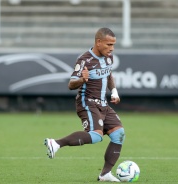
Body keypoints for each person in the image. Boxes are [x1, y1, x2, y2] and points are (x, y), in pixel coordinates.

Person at [44, 27, 125, 182]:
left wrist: (114, 90)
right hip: (87, 102)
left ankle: (105, 174)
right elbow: (71, 84)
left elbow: (108, 74)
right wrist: (82, 80)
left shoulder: (109, 58)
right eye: (109, 45)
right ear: (98, 42)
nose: (112, 48)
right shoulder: (84, 60)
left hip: (103, 104)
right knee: (96, 136)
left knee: (118, 134)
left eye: (113, 45)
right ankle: (56, 143)